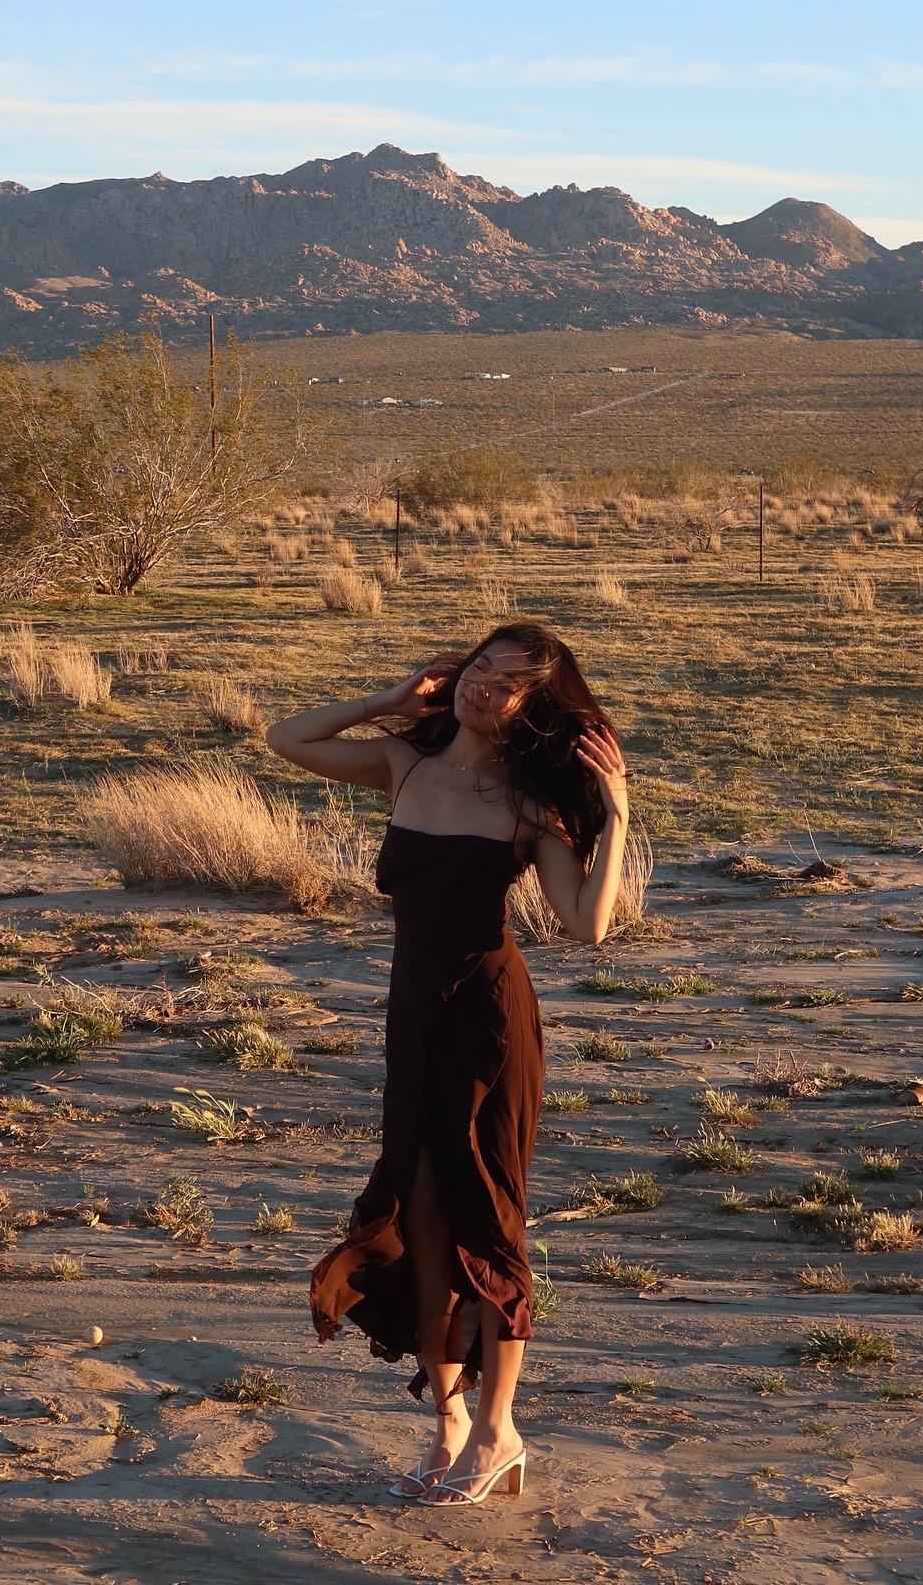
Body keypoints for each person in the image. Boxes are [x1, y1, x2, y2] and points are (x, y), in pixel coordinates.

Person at [266, 621, 631, 1505]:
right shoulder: (404, 765)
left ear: (529, 708)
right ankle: (452, 1421)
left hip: (491, 1025)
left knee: (489, 1217)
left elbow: (587, 925)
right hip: (412, 1022)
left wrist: (616, 812)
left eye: (509, 682)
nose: (485, 687)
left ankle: (503, 1429)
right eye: (482, 667)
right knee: (419, 1212)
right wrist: (386, 701)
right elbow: (287, 739)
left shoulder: (527, 802)